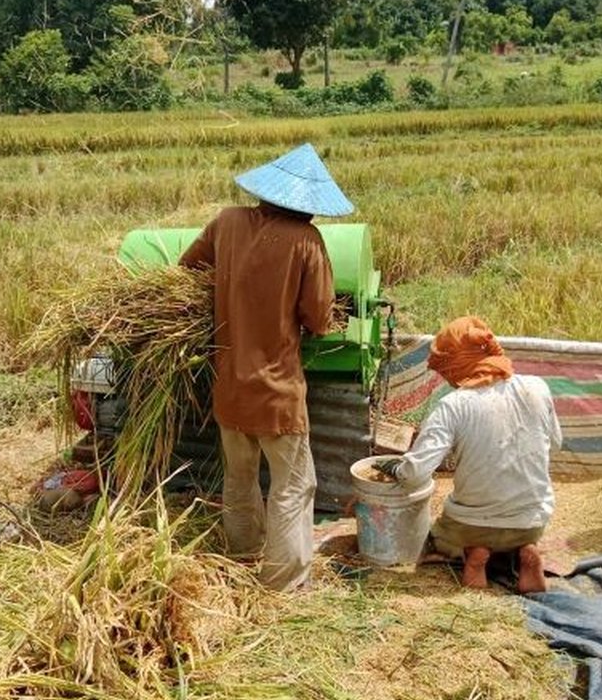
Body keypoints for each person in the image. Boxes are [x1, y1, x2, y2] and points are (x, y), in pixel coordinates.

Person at [178, 143, 349, 591]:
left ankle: (243, 551)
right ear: (306, 207)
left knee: (239, 477)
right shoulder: (307, 241)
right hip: (277, 394)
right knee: (294, 485)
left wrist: (231, 295)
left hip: (230, 388)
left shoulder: (228, 222)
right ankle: (284, 581)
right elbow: (318, 317)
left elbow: (189, 267)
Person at [374, 316, 561, 594]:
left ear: (457, 363)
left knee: (442, 535)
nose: (445, 377)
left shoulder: (453, 405)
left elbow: (416, 474)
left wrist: (396, 468)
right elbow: (555, 444)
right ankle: (526, 549)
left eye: (446, 368)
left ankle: (474, 556)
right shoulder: (537, 387)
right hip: (532, 520)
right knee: (520, 524)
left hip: (471, 525)